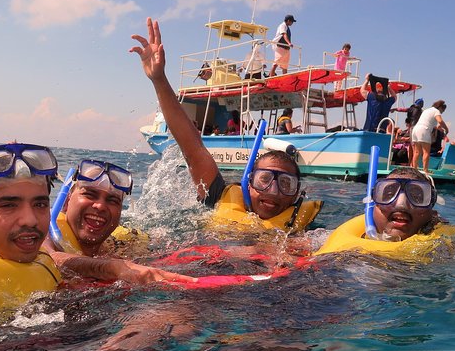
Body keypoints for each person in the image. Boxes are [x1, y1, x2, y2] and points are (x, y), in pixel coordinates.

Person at [0, 144, 193, 328]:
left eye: (39, 204)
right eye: (9, 205)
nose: (30, 219)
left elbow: (56, 261)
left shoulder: (42, 264)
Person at [130, 17, 321, 232]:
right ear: (248, 183)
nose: (273, 190)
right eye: (264, 179)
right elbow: (192, 149)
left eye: (286, 184)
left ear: (296, 194)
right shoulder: (221, 198)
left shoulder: (305, 233)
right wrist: (159, 79)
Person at [318, 166, 455, 255]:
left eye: (418, 196)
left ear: (432, 211)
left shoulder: (446, 249)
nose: (401, 203)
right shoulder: (324, 239)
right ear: (371, 203)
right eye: (388, 193)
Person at [410, 100, 448, 174]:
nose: (442, 112)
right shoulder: (436, 111)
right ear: (440, 108)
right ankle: (426, 170)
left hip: (415, 129)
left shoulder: (427, 110)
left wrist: (439, 128)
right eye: (443, 110)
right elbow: (440, 121)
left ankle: (414, 170)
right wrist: (446, 129)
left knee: (417, 152)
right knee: (426, 152)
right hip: (424, 130)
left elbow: (430, 123)